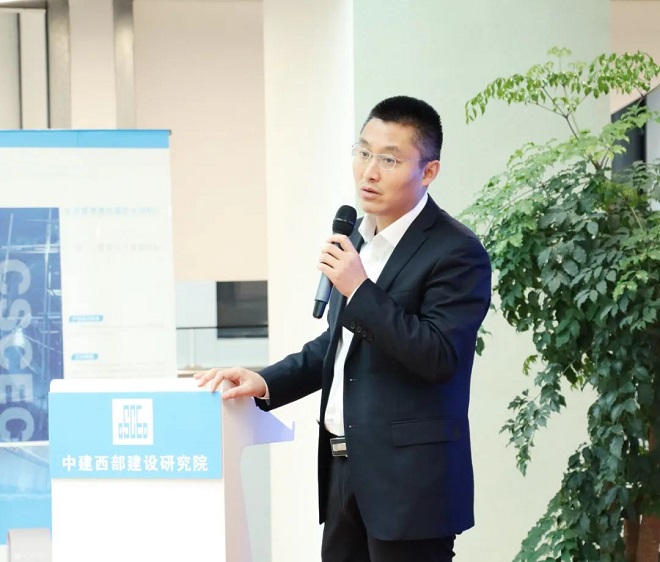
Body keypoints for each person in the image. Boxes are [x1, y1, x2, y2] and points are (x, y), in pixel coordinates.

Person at [195, 95, 492, 562]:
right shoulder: (357, 239)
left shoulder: (456, 251)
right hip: (343, 472)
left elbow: (438, 356)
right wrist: (266, 381)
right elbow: (338, 344)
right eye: (363, 152)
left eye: (389, 160)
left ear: (428, 171)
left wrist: (359, 289)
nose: (369, 171)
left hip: (410, 486)